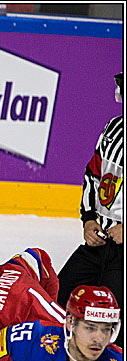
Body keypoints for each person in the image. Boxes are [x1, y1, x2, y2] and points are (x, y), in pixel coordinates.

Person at [57, 72, 123, 347]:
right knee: (59, 298)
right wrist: (88, 219)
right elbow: (93, 174)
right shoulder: (113, 129)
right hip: (100, 243)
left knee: (114, 322)